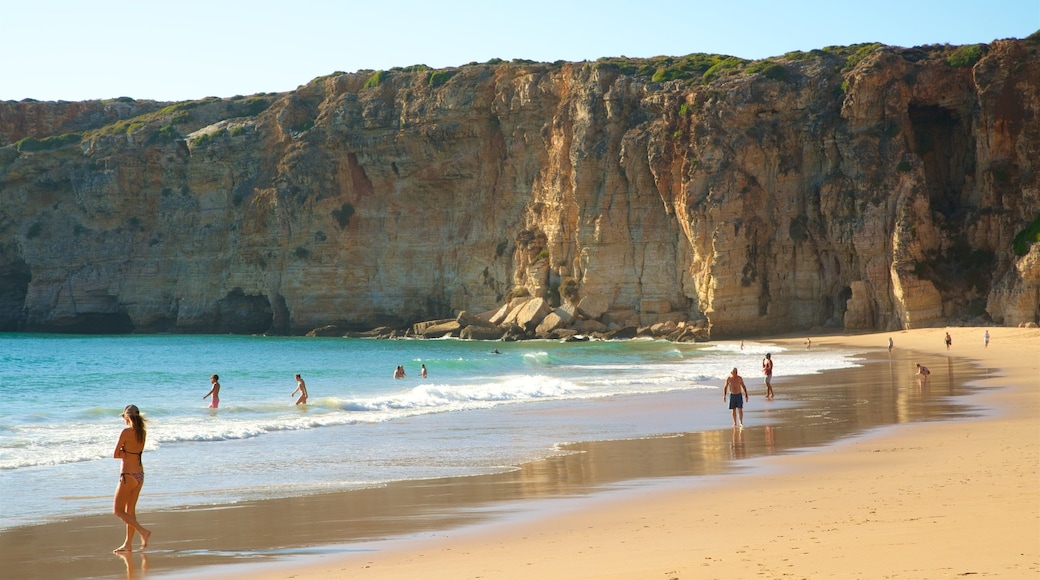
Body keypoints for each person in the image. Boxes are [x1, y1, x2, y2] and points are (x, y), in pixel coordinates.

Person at [112, 405, 151, 552]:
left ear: (126, 417)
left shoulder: (126, 432)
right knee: (130, 512)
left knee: (118, 511)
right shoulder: (143, 433)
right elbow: (135, 452)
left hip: (128, 475)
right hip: (139, 475)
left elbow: (116, 454)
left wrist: (123, 452)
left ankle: (143, 531)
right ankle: (128, 544)